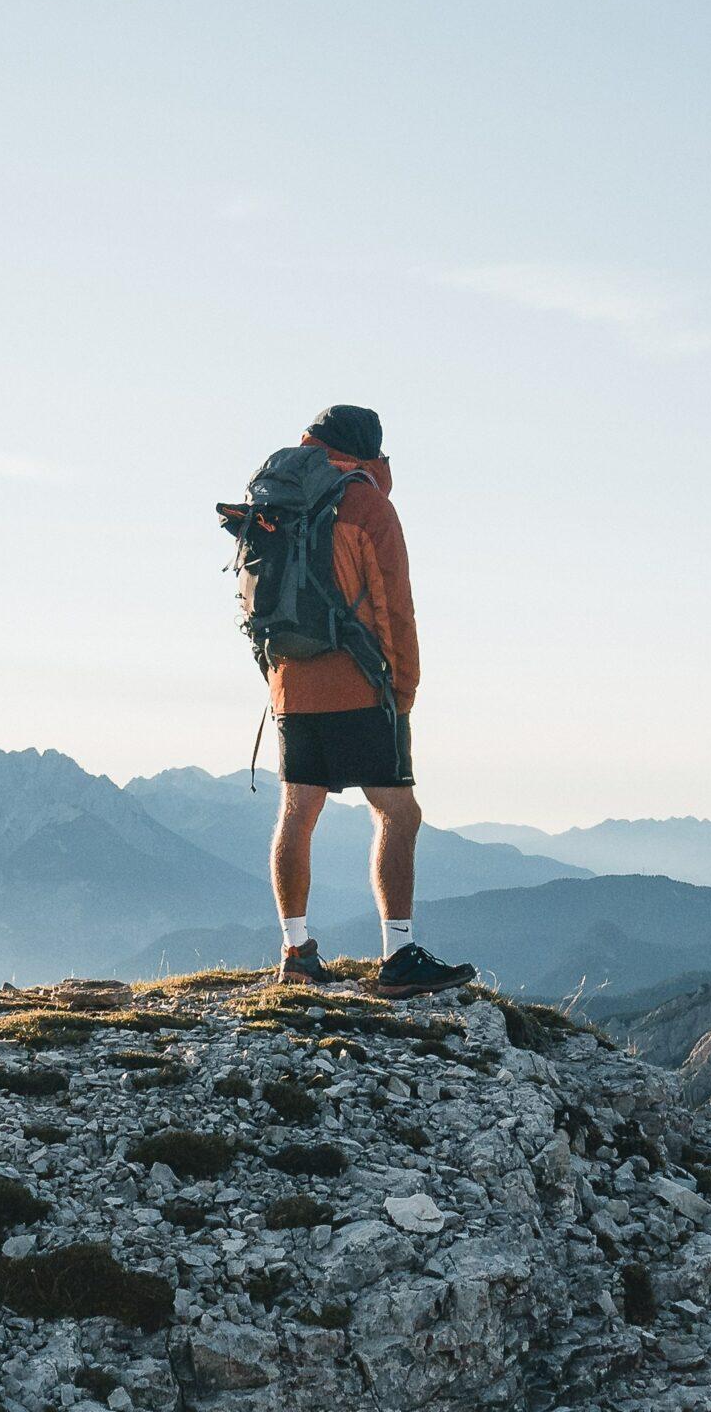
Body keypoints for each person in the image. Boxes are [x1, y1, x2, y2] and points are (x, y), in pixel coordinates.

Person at [268, 404, 477, 998]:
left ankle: (295, 952)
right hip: (359, 682)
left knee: (297, 812)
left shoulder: (280, 498)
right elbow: (394, 608)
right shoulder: (364, 504)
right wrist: (403, 689)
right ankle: (398, 955)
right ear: (369, 450)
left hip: (290, 684)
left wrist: (280, 679)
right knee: (398, 813)